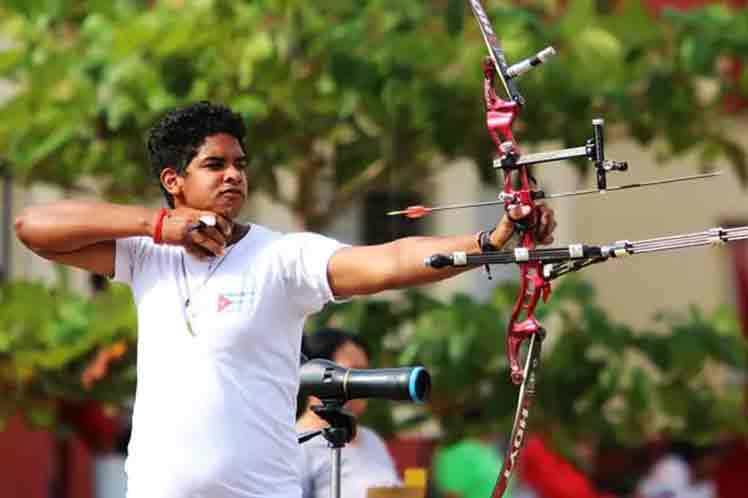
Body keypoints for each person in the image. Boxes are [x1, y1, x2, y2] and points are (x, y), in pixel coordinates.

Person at [14, 101, 556, 498]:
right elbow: (33, 227)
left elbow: (390, 261)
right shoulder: (146, 256)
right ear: (173, 180)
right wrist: (159, 226)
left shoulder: (282, 258)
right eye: (215, 164)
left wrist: (492, 240)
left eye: (240, 165)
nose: (234, 175)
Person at [296, 328, 400, 498]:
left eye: (365, 373)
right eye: (353, 373)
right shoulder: (296, 445)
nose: (365, 383)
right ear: (316, 375)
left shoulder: (372, 440)